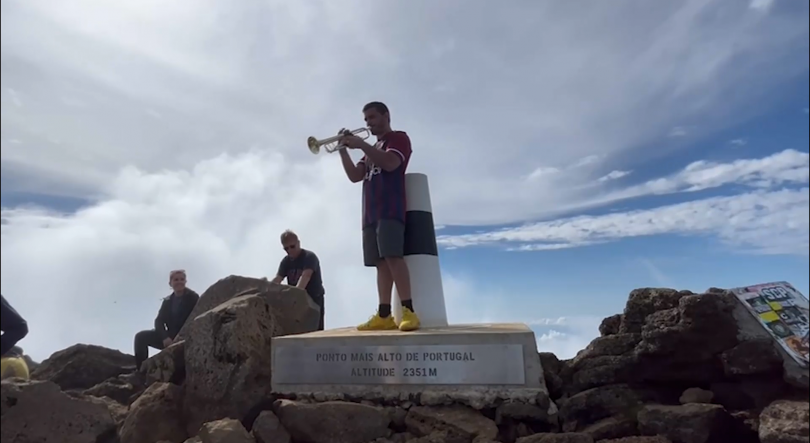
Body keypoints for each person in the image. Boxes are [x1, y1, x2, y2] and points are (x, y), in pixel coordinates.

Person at [337, 101, 421, 332]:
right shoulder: (372, 149)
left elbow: (392, 163)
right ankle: (384, 314)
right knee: (380, 263)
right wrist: (342, 149)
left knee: (393, 257)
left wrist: (362, 144)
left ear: (386, 116)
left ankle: (409, 311)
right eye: (366, 120)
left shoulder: (398, 139)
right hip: (370, 212)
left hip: (390, 208)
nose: (369, 123)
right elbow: (355, 176)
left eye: (372, 118)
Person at [134, 270, 200, 370]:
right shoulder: (168, 301)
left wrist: (182, 336)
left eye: (182, 279)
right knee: (140, 337)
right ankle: (141, 371)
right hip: (170, 338)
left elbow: (195, 317)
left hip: (185, 337)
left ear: (185, 281)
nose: (179, 282)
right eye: (176, 279)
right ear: (170, 283)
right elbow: (159, 321)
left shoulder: (193, 297)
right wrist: (165, 337)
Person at [272, 230, 326, 331]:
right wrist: (267, 289)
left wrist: (294, 295)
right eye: (286, 248)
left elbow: (305, 276)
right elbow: (278, 279)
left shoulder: (309, 257)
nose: (290, 250)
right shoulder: (286, 262)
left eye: (292, 246)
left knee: (315, 331)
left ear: (298, 243)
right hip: (298, 300)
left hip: (314, 299)